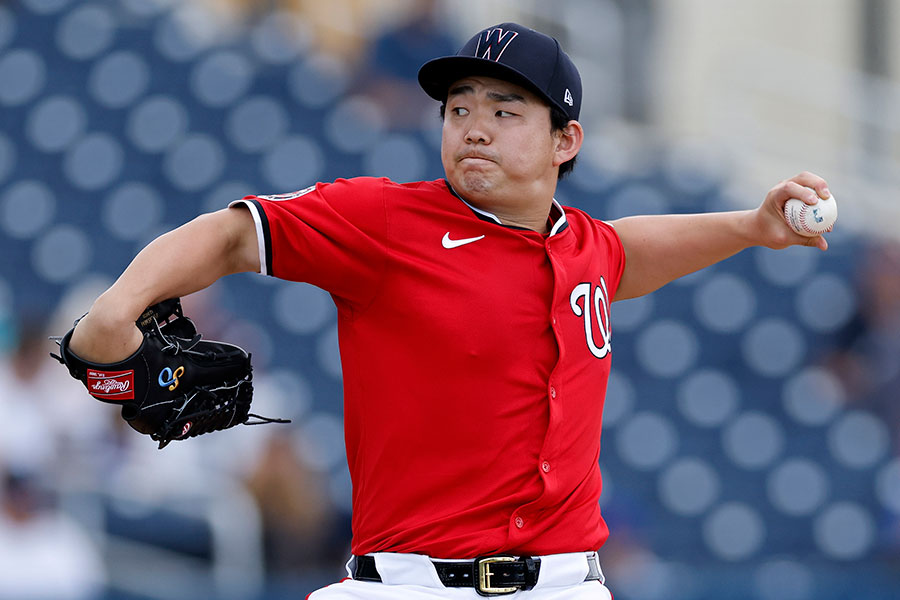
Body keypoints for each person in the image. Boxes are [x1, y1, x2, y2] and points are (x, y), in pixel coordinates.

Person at [66, 22, 833, 600]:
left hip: (569, 584)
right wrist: (114, 313)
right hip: (408, 585)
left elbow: (627, 253)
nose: (472, 125)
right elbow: (233, 234)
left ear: (567, 140)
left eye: (505, 110)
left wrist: (750, 226)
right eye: (458, 107)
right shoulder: (385, 223)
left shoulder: (582, 248)